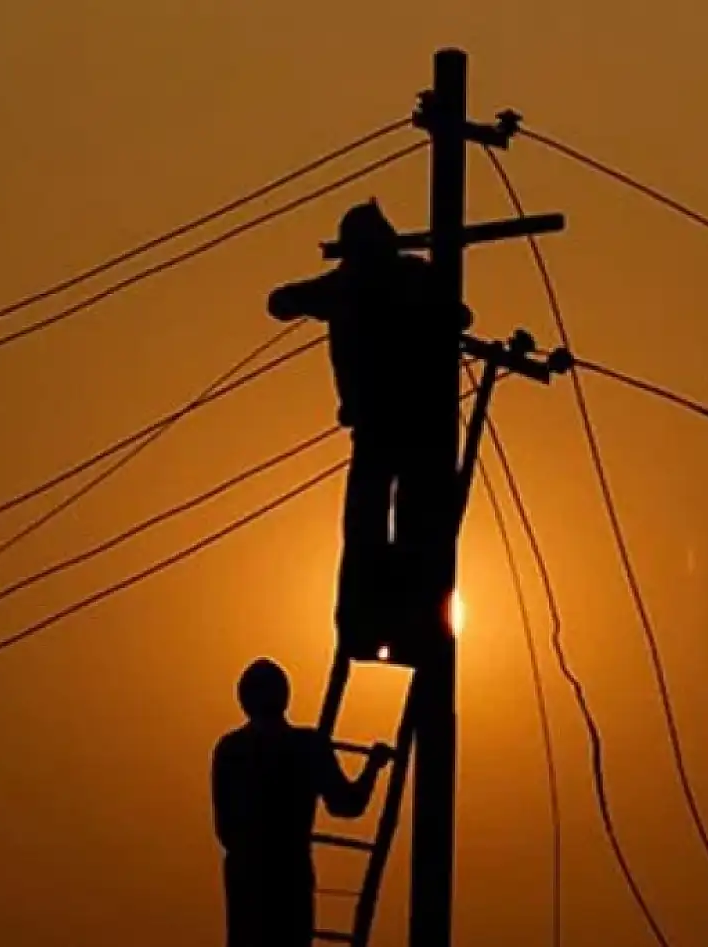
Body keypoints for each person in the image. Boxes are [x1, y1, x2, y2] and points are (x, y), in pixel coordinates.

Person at [267, 200, 471, 660]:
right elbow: (280, 302)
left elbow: (281, 302)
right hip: (404, 427)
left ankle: (390, 625)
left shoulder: (359, 283)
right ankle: (391, 625)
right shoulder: (378, 280)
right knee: (391, 528)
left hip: (401, 427)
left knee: (383, 528)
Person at [212, 658, 394, 947]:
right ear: (285, 696)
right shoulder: (307, 745)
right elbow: (347, 804)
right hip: (289, 880)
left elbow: (224, 830)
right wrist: (373, 766)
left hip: (247, 882)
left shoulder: (229, 750)